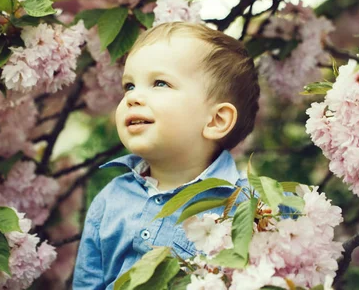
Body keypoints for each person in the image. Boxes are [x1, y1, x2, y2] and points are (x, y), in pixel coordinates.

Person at [72, 22, 260, 290]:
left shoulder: (247, 208)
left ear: (216, 120)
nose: (133, 98)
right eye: (129, 86)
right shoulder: (111, 199)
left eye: (160, 83)